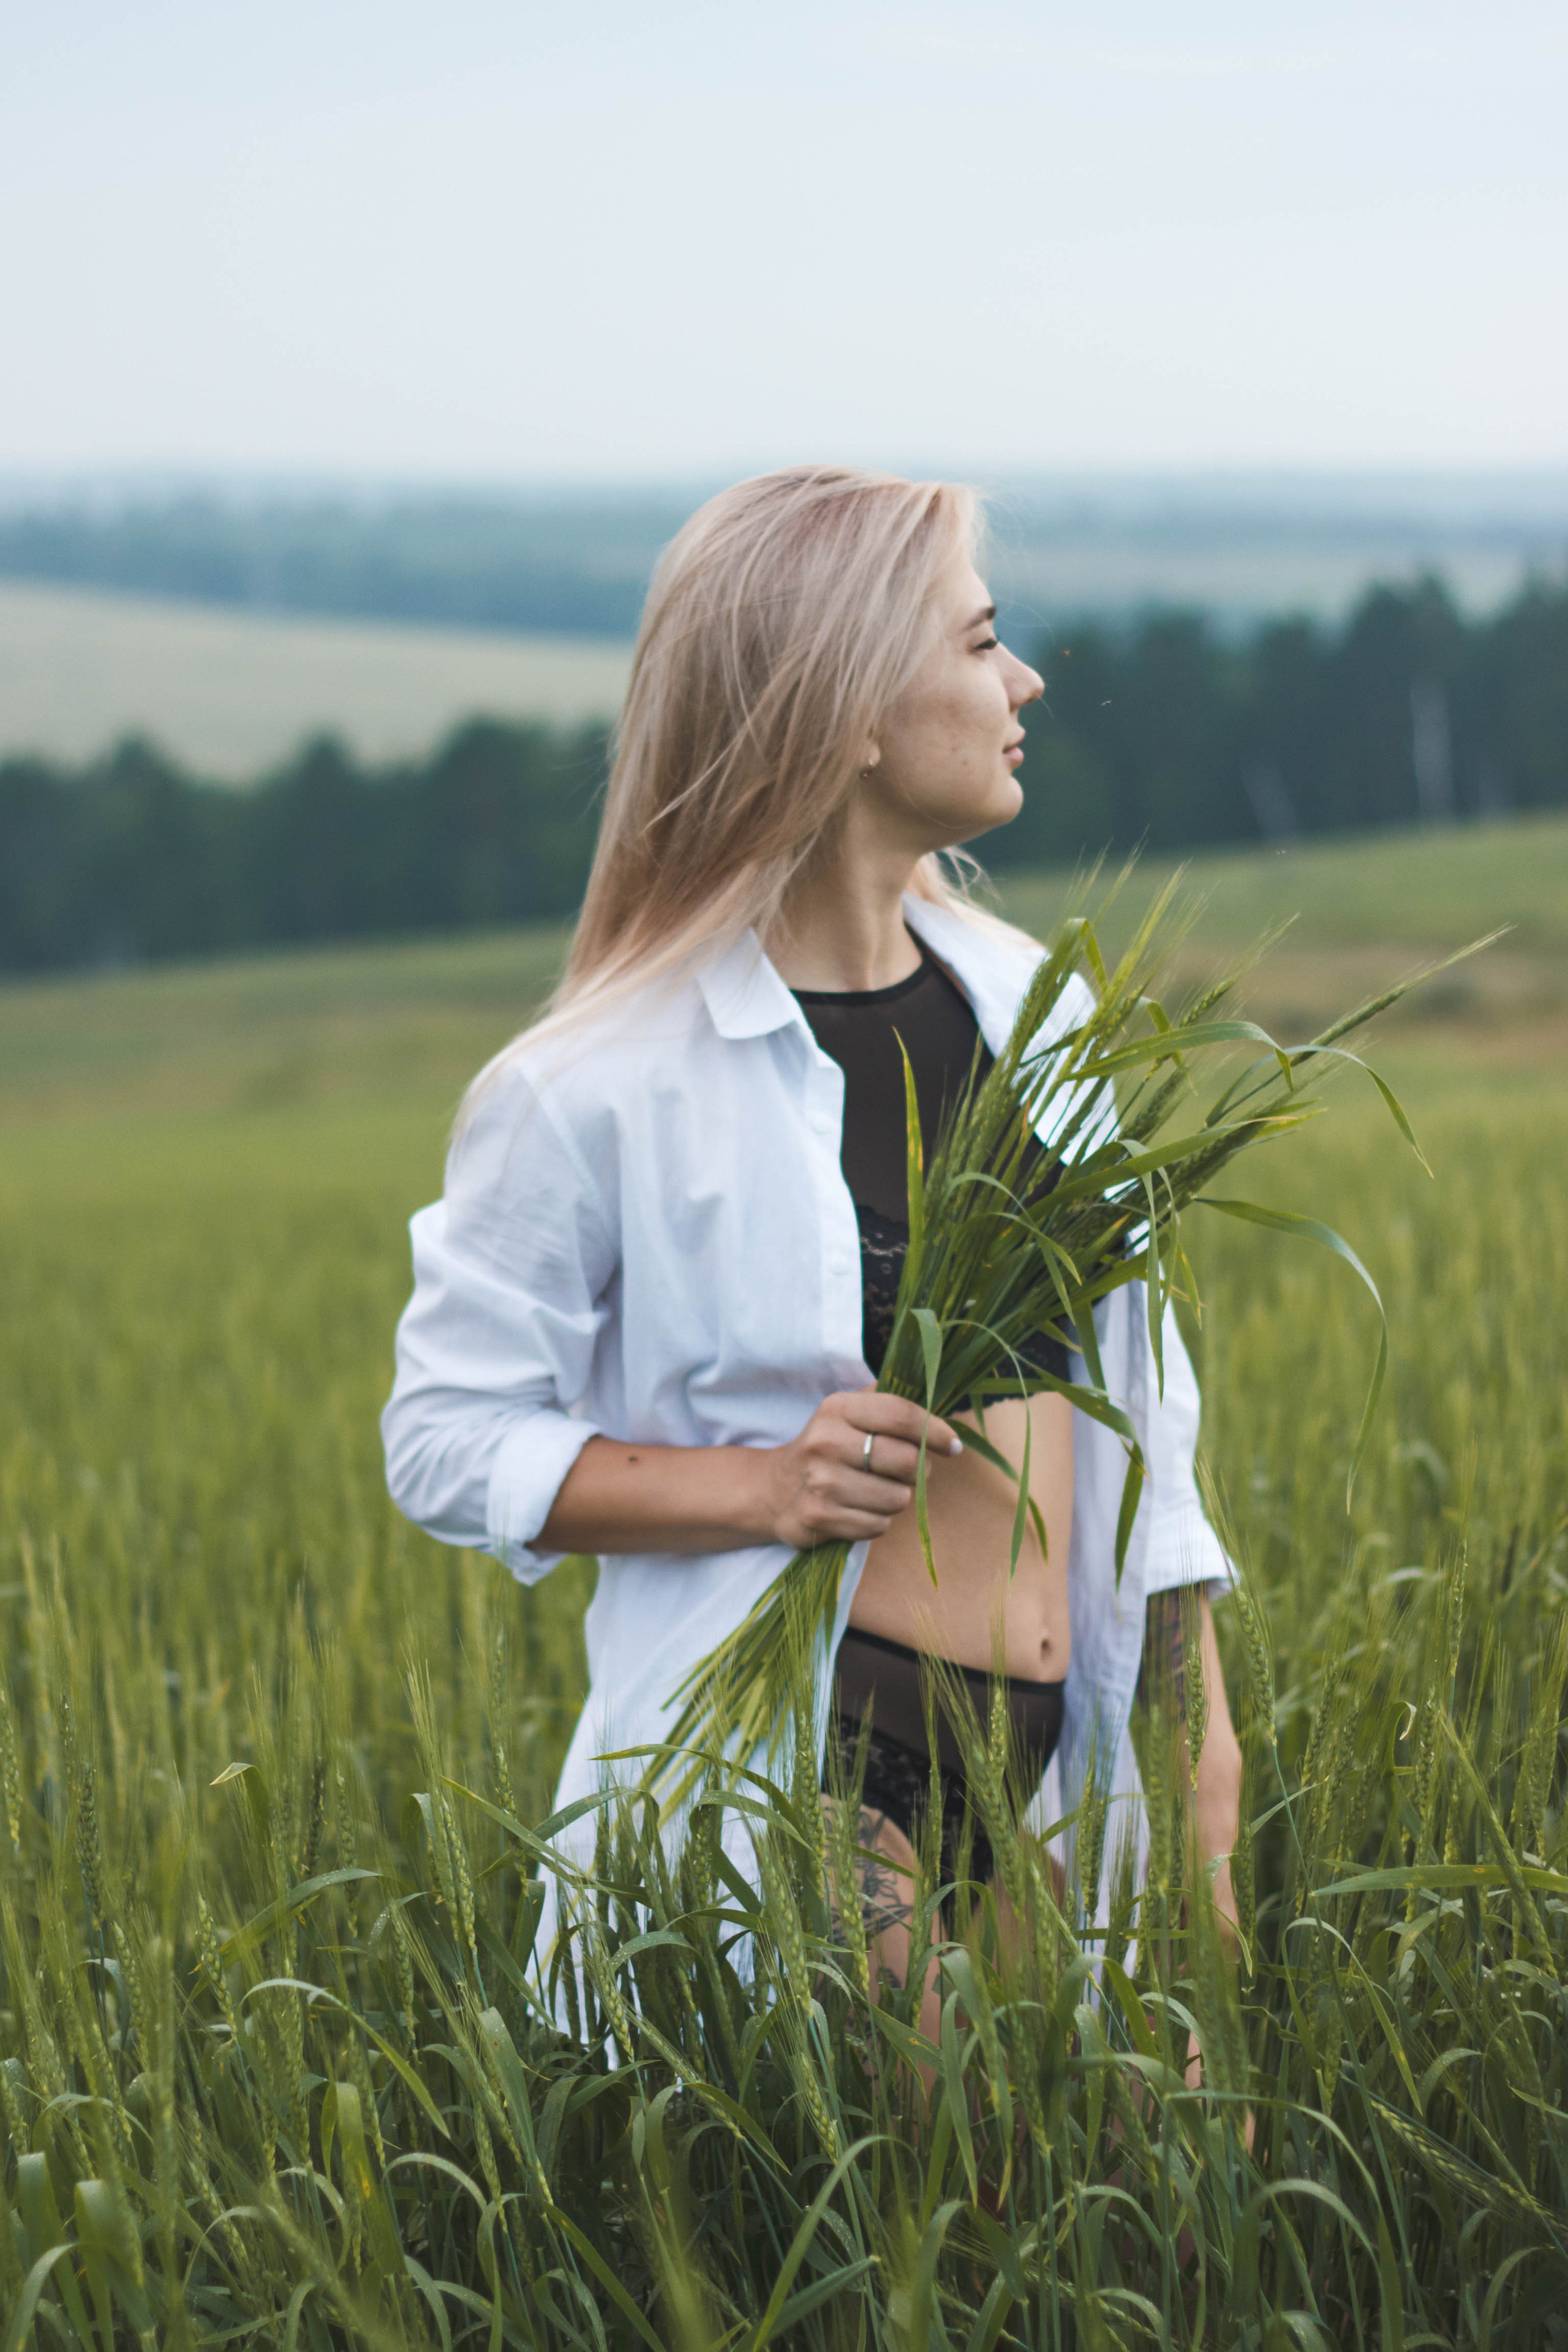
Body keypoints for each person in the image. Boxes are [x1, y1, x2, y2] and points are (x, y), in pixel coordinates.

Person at [382, 464, 1242, 2031]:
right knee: (971, 2205)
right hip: (824, 1766)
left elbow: (1146, 1420)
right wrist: (757, 1486)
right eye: (980, 643)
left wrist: (1199, 1739)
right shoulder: (593, 1084)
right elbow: (444, 1438)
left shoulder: (1034, 1007)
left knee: (1160, 2235)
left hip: (1064, 1748)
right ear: (847, 710)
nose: (1023, 680)